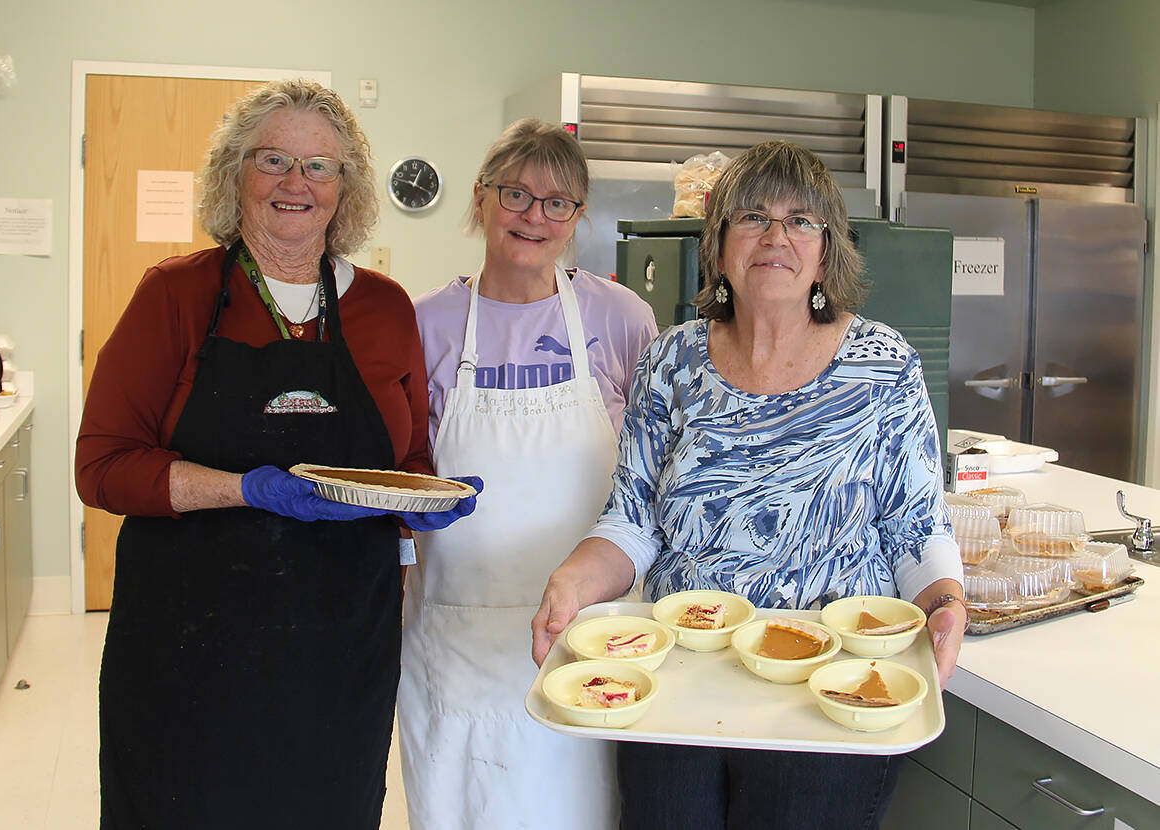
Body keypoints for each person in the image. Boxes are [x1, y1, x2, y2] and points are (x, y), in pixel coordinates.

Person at [75, 78, 476, 829]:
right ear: (236, 174)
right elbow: (100, 466)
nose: (296, 183)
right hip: (188, 644)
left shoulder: (385, 308)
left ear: (345, 187)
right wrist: (244, 489)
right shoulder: (176, 295)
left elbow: (411, 455)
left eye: (319, 166)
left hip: (339, 647)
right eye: (273, 161)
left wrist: (424, 500)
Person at [531, 140, 966, 830]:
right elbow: (632, 521)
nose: (776, 237)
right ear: (719, 243)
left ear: (828, 250)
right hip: (678, 688)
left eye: (801, 220)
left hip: (828, 696)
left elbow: (916, 525)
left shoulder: (883, 366)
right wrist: (574, 584)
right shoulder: (671, 361)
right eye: (752, 217)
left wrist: (944, 603)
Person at [398, 118, 657, 829]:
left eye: (557, 202)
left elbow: (653, 471)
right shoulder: (424, 324)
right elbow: (399, 472)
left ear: (577, 219)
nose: (534, 216)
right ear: (481, 200)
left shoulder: (621, 318)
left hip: (597, 636)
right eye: (516, 194)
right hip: (460, 632)